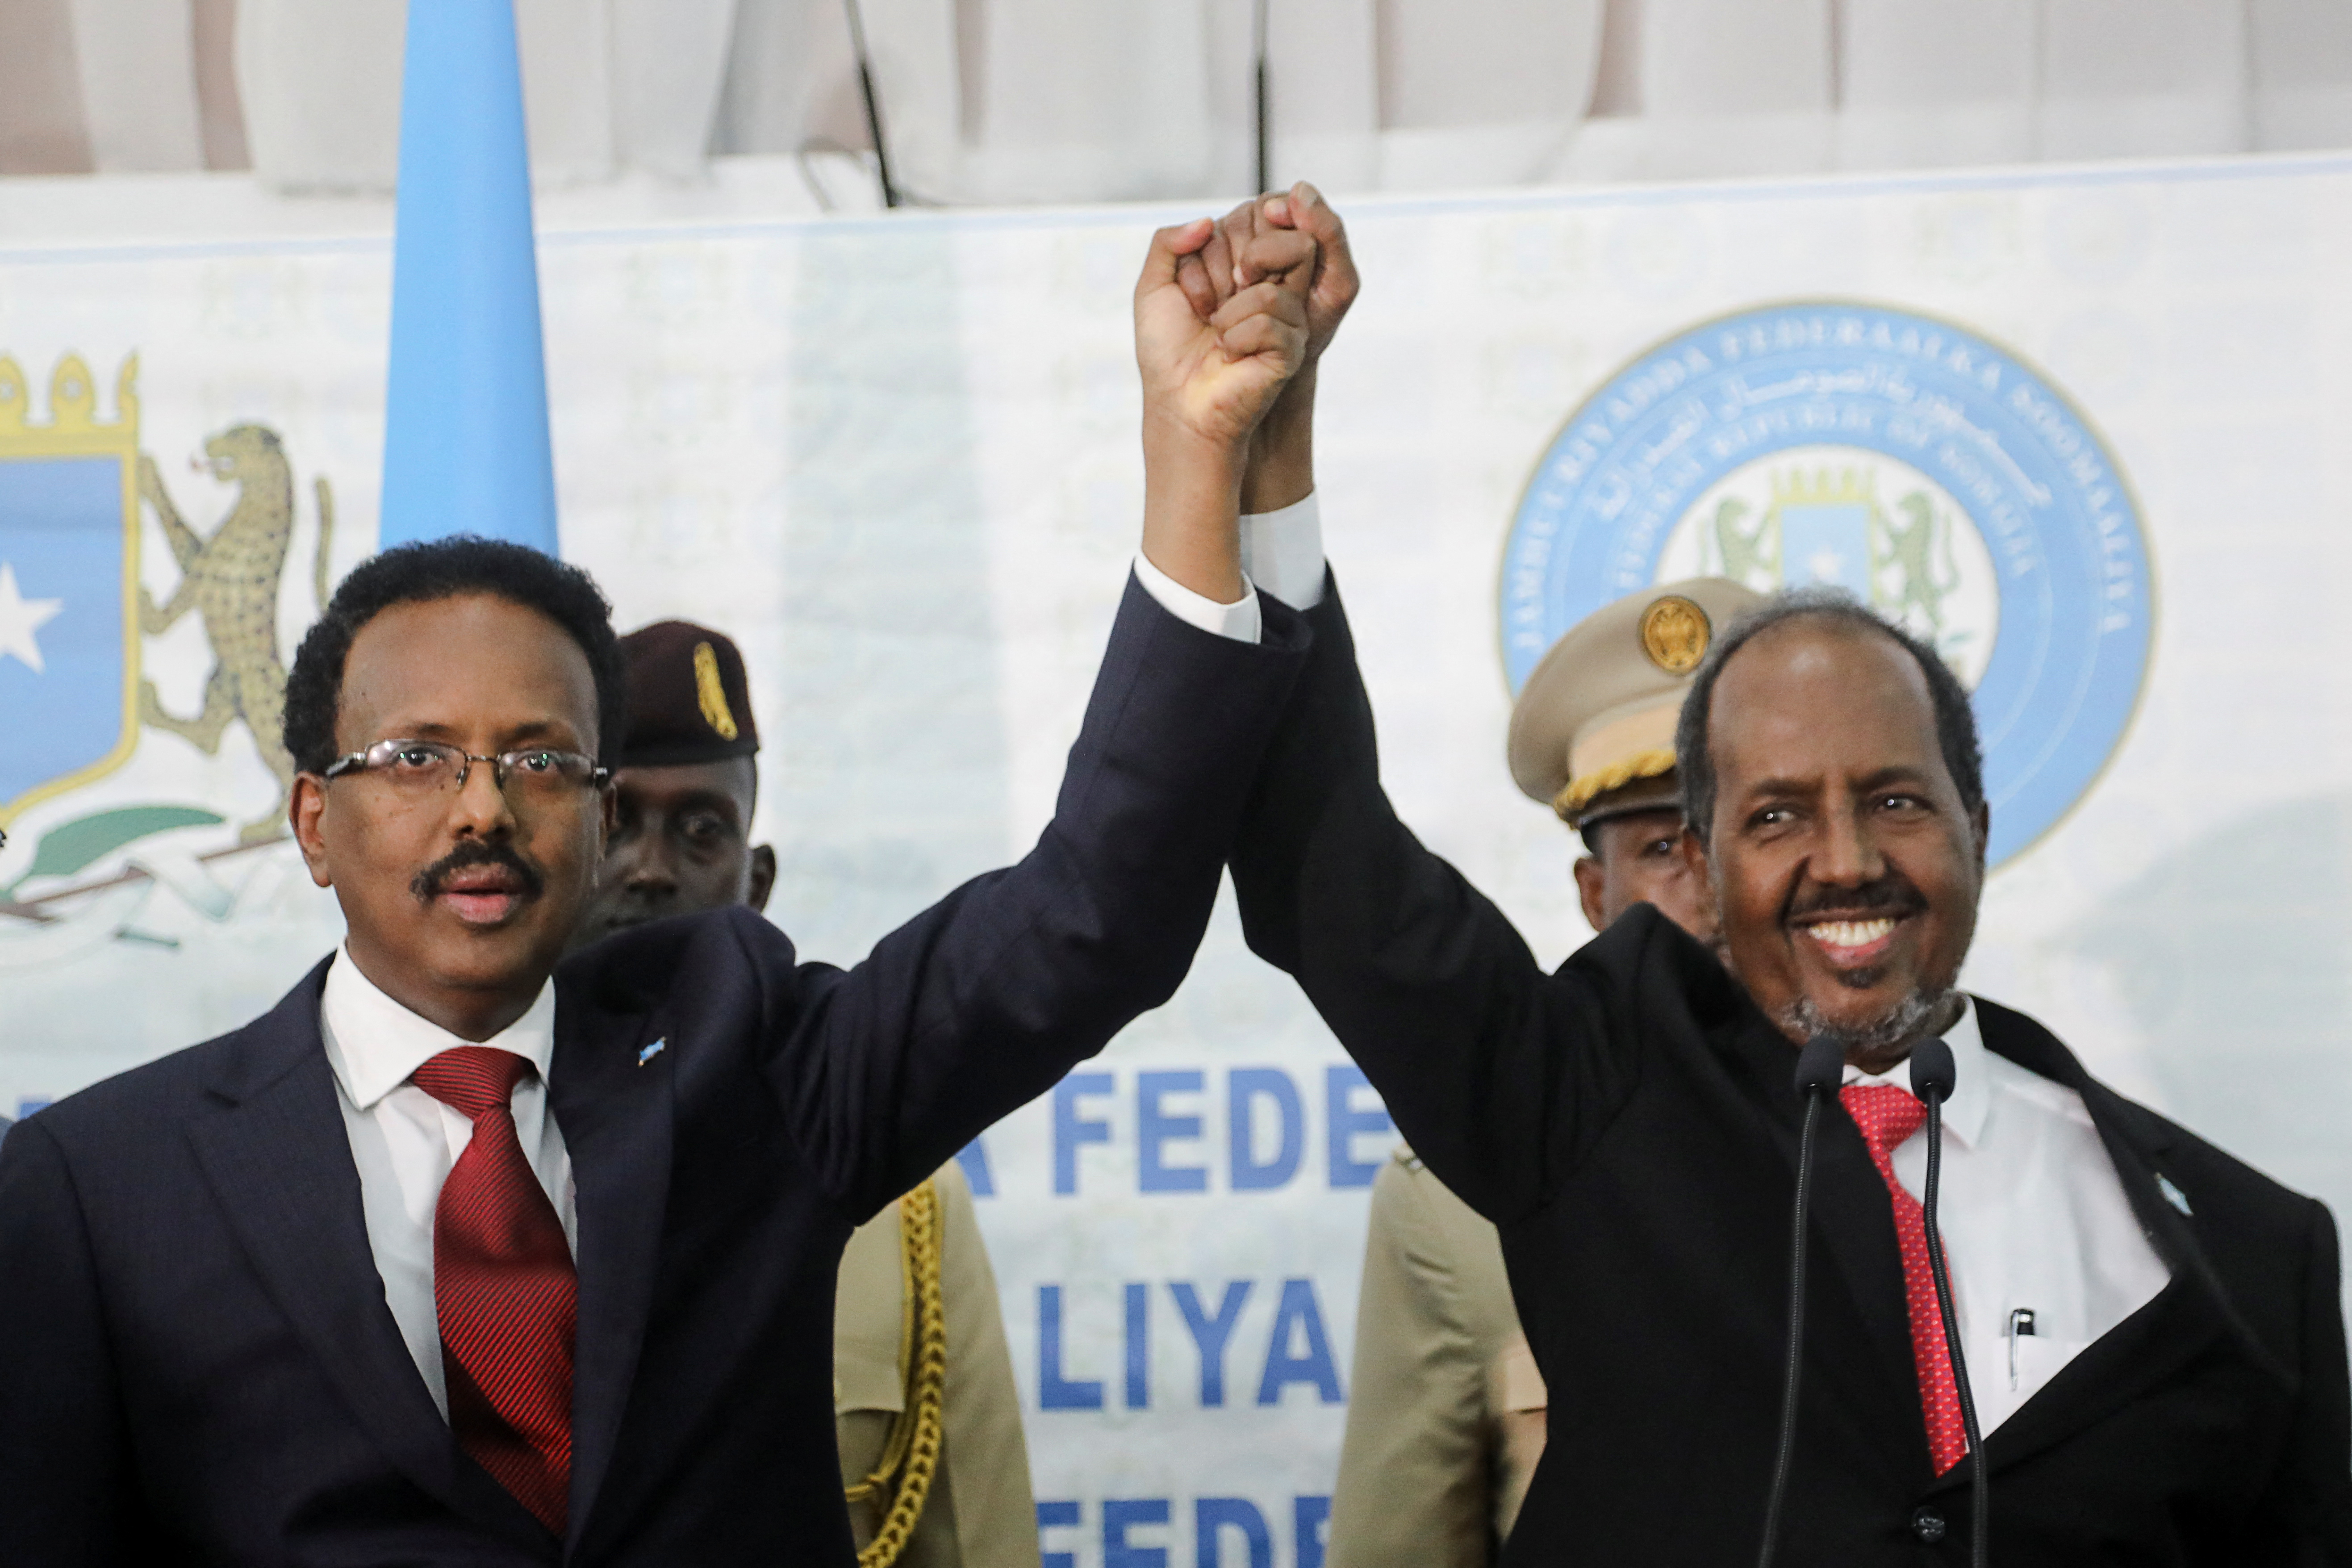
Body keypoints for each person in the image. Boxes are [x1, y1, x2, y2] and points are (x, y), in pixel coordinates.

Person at [0, 213, 1320, 1566]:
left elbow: (1093, 914)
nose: (481, 808)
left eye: (539, 760)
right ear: (313, 820)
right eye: (417, 758)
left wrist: (1195, 453)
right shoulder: (102, 1191)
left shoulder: (752, 1068)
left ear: (592, 814)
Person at [1186, 189, 2352, 1563]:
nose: (1843, 862)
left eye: (1896, 801)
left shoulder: (2251, 1255)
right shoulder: (1588, 1105)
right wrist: (1265, 449)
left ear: (1977, 827)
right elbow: (1325, 865)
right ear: (1705, 863)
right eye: (1777, 817)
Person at [574, 618, 1036, 1568]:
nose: (650, 869)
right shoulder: (449, 1147)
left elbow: (970, 1532)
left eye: (702, 831)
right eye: (616, 824)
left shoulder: (896, 1192)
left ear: (758, 883)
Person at [1328, 577, 1758, 1568]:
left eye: (1747, 828)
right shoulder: (1458, 1203)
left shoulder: (1926, 1140)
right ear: (1595, 895)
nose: (1709, 887)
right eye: (1662, 847)